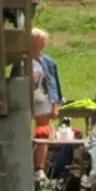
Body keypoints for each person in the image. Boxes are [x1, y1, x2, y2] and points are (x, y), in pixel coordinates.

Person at [28, 29, 62, 171]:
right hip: (27, 100)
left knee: (43, 132)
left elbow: (55, 84)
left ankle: (39, 168)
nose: (43, 43)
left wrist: (56, 104)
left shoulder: (48, 62)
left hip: (44, 99)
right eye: (40, 40)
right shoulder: (23, 60)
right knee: (24, 131)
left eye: (44, 41)